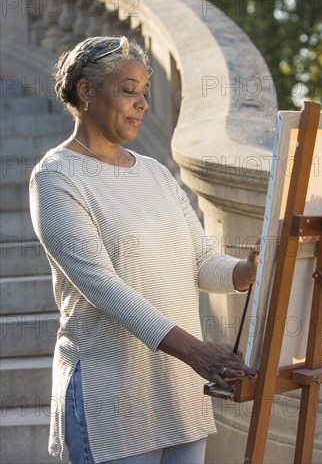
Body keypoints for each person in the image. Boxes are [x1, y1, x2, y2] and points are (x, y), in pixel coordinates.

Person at [29, 35, 259, 464]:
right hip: (111, 396)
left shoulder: (154, 172)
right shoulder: (57, 177)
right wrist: (196, 350)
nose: (142, 104)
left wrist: (246, 271)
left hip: (180, 395)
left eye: (144, 93)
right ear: (87, 91)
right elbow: (102, 287)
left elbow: (201, 263)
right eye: (127, 89)